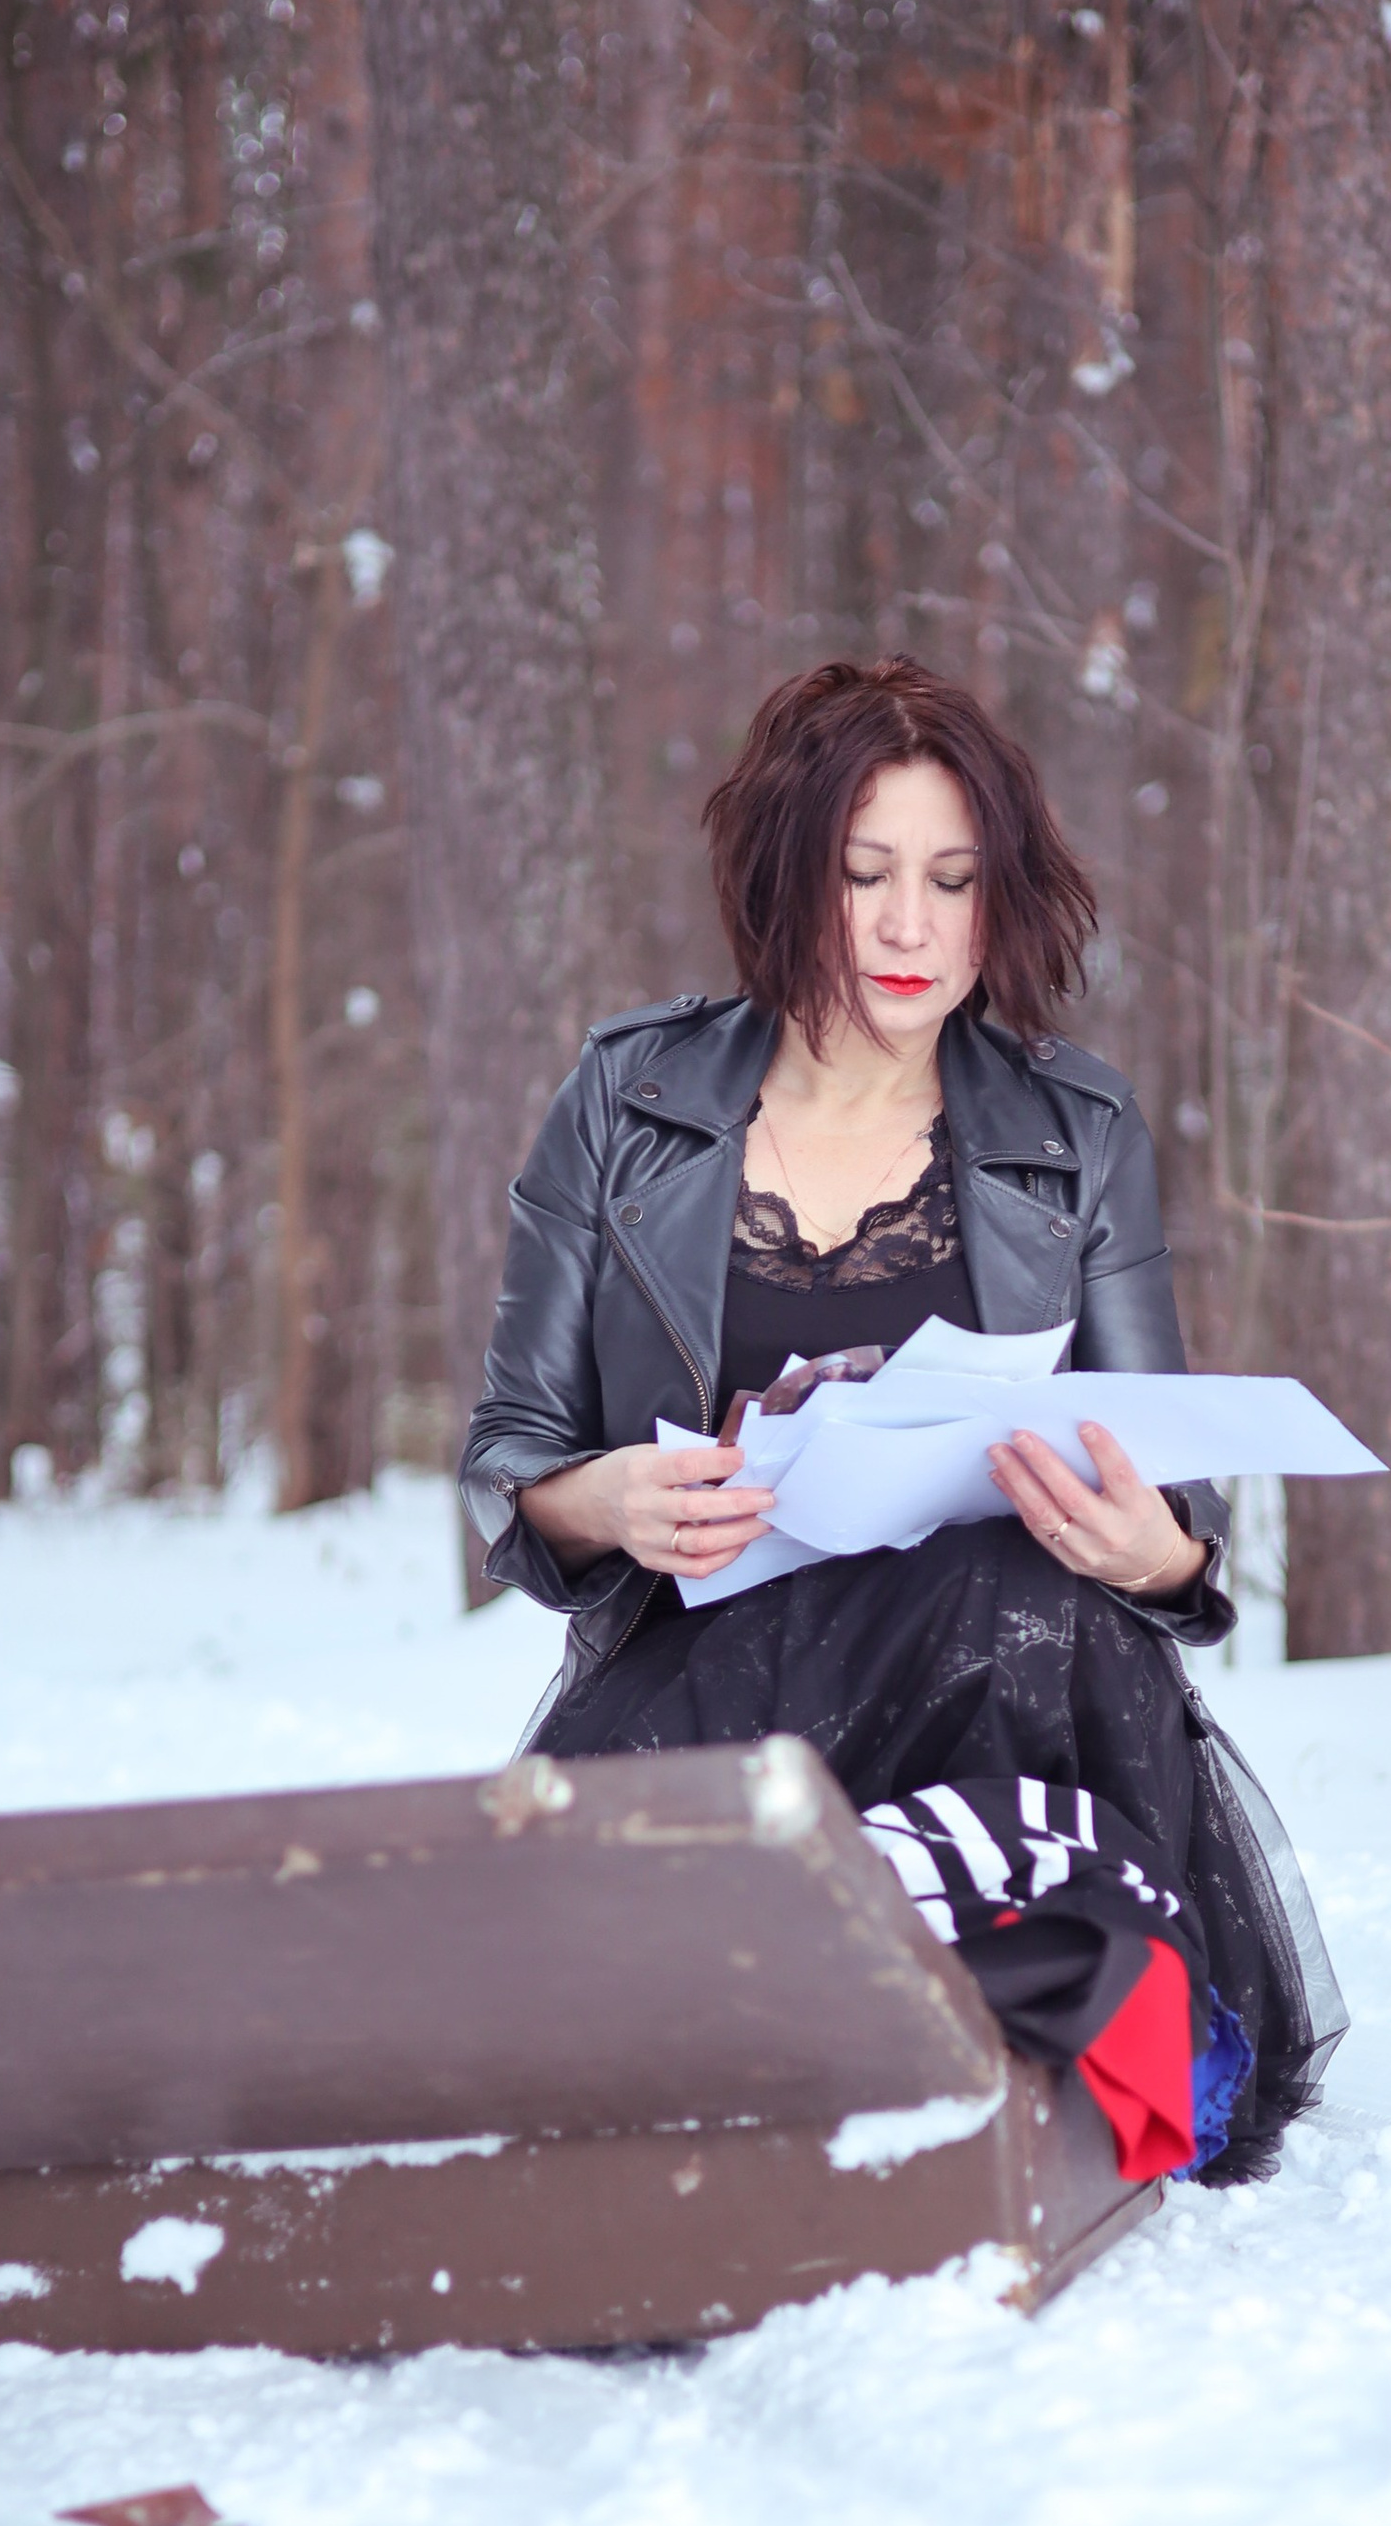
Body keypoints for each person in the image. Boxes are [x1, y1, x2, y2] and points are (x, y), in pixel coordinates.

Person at [461, 658, 1344, 2176]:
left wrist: (1152, 1556)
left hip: (1016, 1690)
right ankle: (916, 2007)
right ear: (786, 876)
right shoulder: (629, 1096)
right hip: (722, 1675)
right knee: (999, 1614)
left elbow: (1169, 1500)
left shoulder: (1077, 1132)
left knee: (1016, 1594)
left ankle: (962, 2008)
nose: (908, 925)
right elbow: (511, 1454)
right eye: (864, 874)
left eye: (952, 879)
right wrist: (611, 1502)